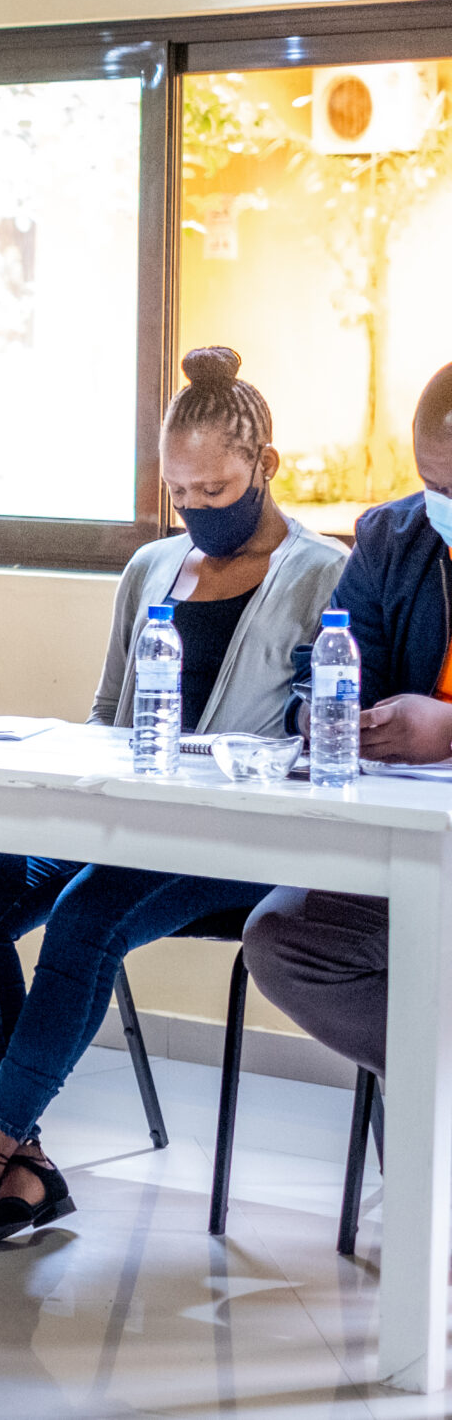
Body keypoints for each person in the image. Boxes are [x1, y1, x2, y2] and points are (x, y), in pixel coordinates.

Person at [0, 346, 347, 1252]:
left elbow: (313, 740)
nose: (200, 512)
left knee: (86, 915)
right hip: (127, 812)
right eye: (183, 494)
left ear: (267, 467)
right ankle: (29, 1161)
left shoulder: (323, 574)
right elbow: (107, 713)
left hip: (230, 839)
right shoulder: (150, 568)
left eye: (218, 491)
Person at [243, 359, 452, 1086]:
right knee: (282, 940)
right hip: (408, 845)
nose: (444, 504)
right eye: (435, 485)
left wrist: (448, 730)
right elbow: (331, 662)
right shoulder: (394, 538)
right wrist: (327, 714)